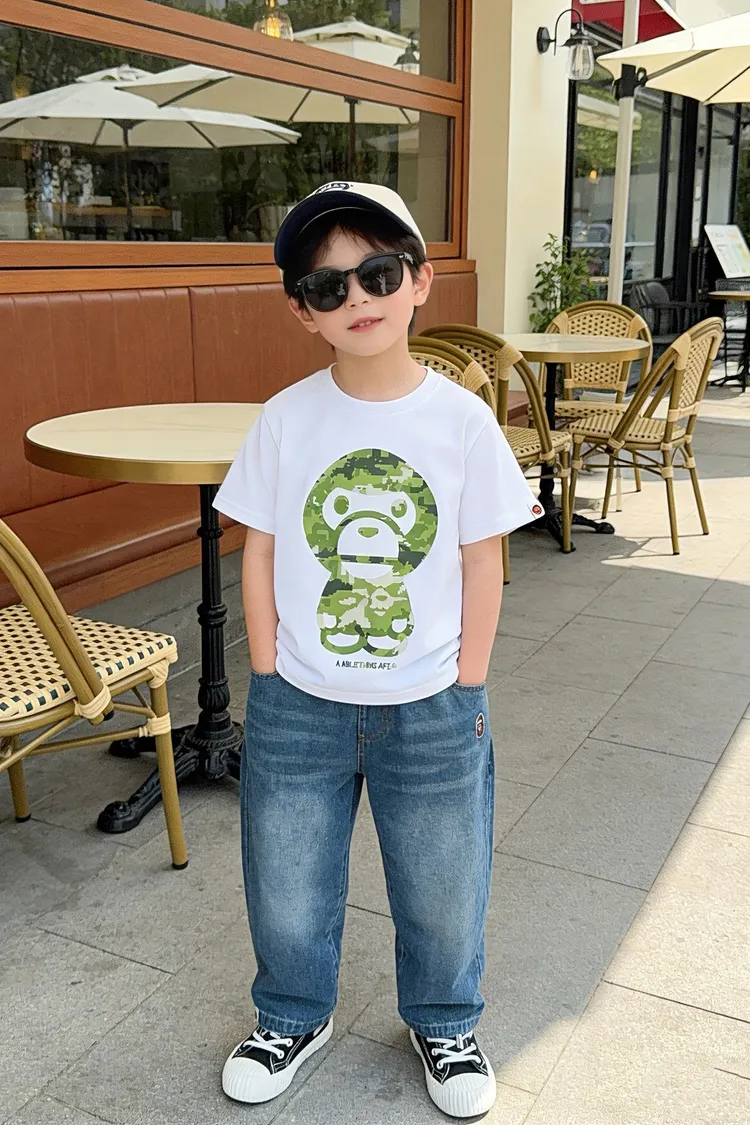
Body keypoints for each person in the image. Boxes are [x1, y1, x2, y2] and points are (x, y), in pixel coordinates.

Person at [214, 181, 542, 1119]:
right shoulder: (286, 417)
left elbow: (482, 556)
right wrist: (266, 670)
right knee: (286, 873)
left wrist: (468, 679)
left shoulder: (461, 420)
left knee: (444, 876)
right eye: (328, 287)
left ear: (419, 281)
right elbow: (260, 548)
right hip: (299, 698)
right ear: (303, 312)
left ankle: (445, 1018)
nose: (356, 297)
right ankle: (291, 1011)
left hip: (432, 699)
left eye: (378, 273)